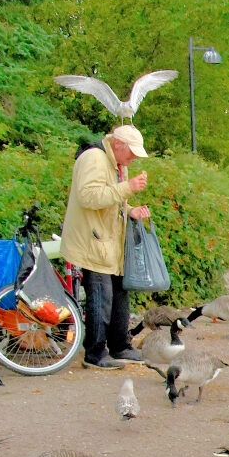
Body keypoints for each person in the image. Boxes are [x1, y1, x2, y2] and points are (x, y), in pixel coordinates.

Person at [61, 125, 152, 369]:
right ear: (118, 144)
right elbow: (88, 197)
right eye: (131, 152)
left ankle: (120, 346)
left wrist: (130, 210)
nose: (133, 158)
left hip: (109, 242)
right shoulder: (94, 158)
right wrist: (127, 188)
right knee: (101, 298)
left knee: (119, 296)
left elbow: (110, 200)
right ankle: (95, 353)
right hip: (93, 241)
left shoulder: (114, 163)